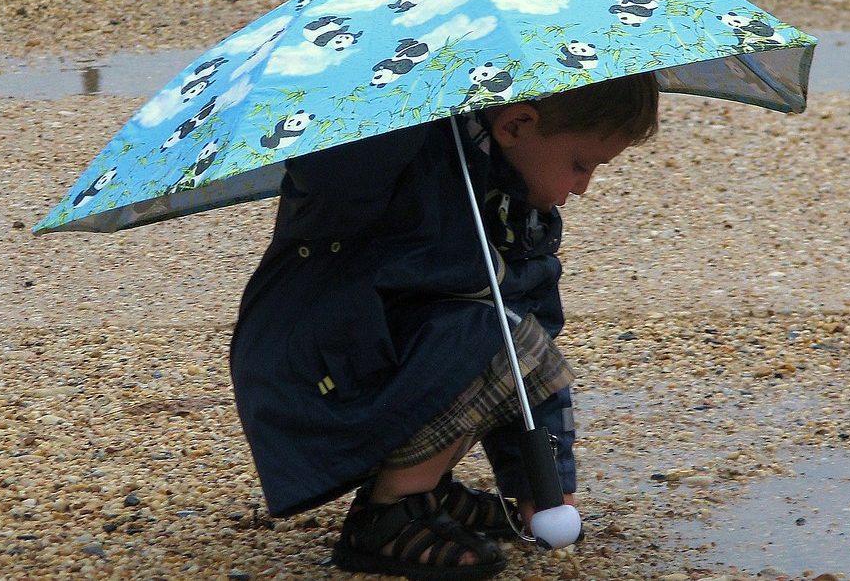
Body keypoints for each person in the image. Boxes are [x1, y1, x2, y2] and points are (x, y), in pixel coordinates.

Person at [229, 71, 659, 580]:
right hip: (314, 367)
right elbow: (331, 174)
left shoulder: (515, 209)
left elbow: (531, 358)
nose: (583, 187)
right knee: (493, 337)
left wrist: (543, 486)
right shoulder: (385, 163)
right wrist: (408, 115)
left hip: (383, 363)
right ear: (516, 124)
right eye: (581, 165)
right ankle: (389, 512)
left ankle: (427, 490)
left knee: (516, 339)